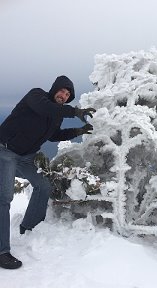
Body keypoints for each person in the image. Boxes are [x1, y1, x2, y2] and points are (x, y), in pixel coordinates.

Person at [0, 75, 96, 269]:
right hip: (6, 150)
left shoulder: (56, 115)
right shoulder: (36, 96)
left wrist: (78, 131)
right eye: (62, 90)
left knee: (43, 185)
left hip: (27, 156)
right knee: (5, 197)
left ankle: (29, 227)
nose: (64, 95)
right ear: (54, 89)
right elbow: (46, 108)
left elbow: (53, 136)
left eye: (68, 94)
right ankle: (2, 251)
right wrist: (75, 111)